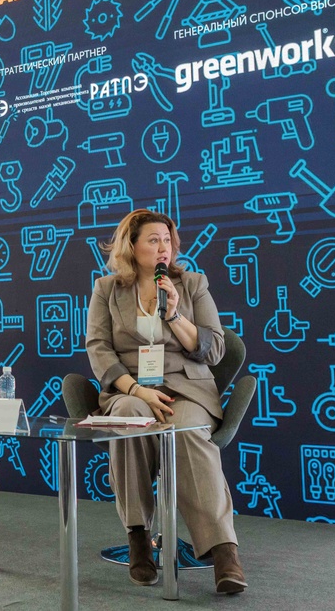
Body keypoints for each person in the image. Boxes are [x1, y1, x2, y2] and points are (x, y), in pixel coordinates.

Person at [84, 209, 247, 594]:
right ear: (132, 246)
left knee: (185, 429)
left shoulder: (192, 283)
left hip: (187, 388)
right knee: (129, 419)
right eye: (153, 240)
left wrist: (174, 315)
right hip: (132, 388)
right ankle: (139, 538)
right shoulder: (106, 289)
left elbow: (215, 348)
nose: (164, 248)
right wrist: (136, 390)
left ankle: (224, 551)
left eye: (168, 241)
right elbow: (99, 348)